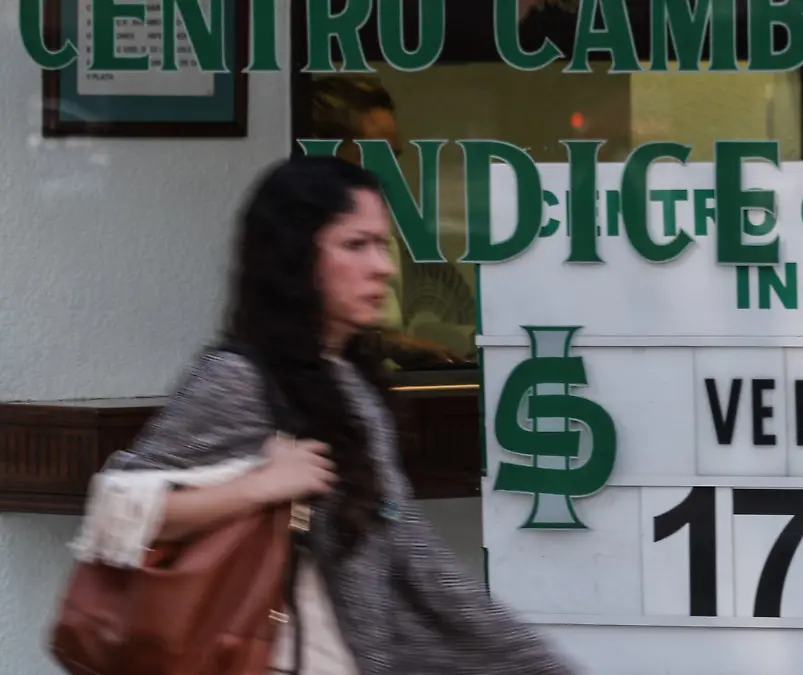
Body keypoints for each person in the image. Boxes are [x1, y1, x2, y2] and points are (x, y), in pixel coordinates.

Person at [66, 156, 576, 675]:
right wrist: (260, 486)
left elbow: (412, 554)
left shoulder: (351, 383)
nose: (383, 267)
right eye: (356, 245)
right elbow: (114, 513)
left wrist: (524, 657)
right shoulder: (240, 380)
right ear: (295, 256)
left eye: (383, 245)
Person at [310, 74, 473, 368]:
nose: (388, 173)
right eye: (374, 156)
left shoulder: (382, 238)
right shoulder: (292, 236)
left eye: (392, 159)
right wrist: (393, 345)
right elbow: (297, 333)